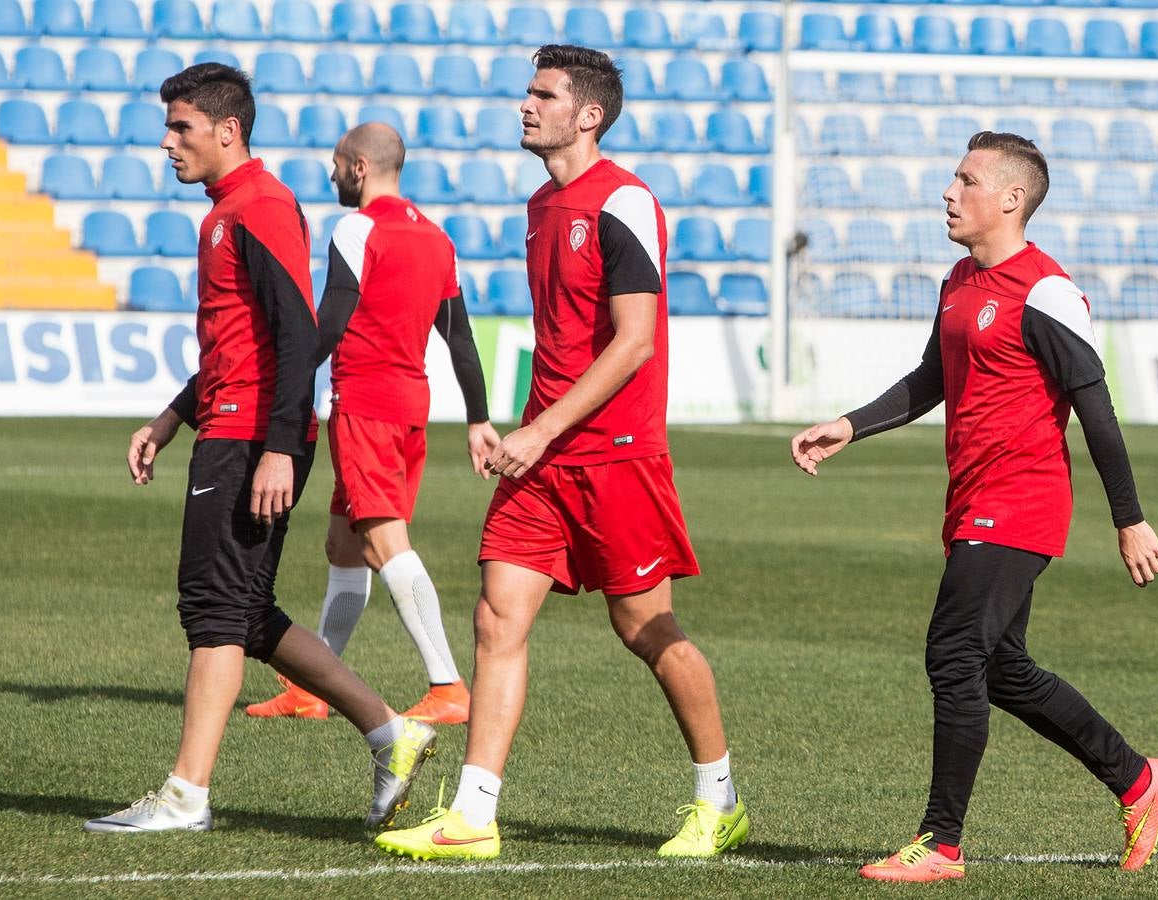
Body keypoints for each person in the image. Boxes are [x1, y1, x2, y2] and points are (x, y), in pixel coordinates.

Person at [374, 45, 748, 861]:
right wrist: (527, 430)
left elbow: (635, 341)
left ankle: (718, 797)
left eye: (543, 94)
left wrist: (541, 429)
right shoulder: (544, 203)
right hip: (542, 458)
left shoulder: (624, 202)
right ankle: (474, 814)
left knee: (645, 626)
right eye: (528, 92)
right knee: (496, 615)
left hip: (615, 453)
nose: (525, 104)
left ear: (589, 114)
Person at [790, 131, 1158, 883]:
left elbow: (1097, 412)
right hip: (971, 500)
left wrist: (1128, 517)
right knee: (1003, 671)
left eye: (965, 180)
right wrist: (851, 424)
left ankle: (941, 844)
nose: (949, 192)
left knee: (953, 654)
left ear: (1011, 198)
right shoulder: (960, 281)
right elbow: (931, 376)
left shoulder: (1047, 292)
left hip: (1022, 499)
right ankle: (1138, 780)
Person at [84, 64, 436, 834]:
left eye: (181, 127)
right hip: (231, 426)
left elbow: (297, 334)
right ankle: (392, 731)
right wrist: (173, 416)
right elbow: (233, 343)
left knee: (214, 612)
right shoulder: (226, 210)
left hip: (251, 438)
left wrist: (280, 445)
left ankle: (185, 796)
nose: (168, 142)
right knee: (242, 614)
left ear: (227, 130)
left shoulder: (263, 206)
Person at [245, 122, 500, 725]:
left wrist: (281, 382)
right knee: (345, 546)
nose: (332, 176)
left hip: (365, 407)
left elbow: (328, 323)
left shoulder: (357, 228)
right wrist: (478, 418)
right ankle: (315, 686)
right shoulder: (437, 239)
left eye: (337, 165)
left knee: (386, 545)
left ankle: (448, 687)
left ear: (359, 167)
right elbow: (458, 336)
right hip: (410, 409)